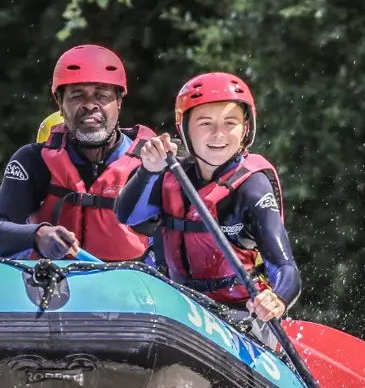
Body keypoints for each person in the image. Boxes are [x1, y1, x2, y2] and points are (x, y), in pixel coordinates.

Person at [113, 72, 301, 324]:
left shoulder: (253, 186)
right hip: (179, 302)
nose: (218, 134)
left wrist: (277, 299)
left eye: (229, 123)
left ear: (246, 129)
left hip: (239, 311)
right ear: (184, 129)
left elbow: (285, 267)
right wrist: (149, 171)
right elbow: (127, 215)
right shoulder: (170, 174)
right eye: (205, 123)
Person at [0, 44, 159, 262]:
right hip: (56, 287)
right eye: (77, 96)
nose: (90, 105)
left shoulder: (153, 163)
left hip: (130, 289)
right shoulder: (34, 161)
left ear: (119, 102)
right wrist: (38, 234)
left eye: (102, 95)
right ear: (60, 104)